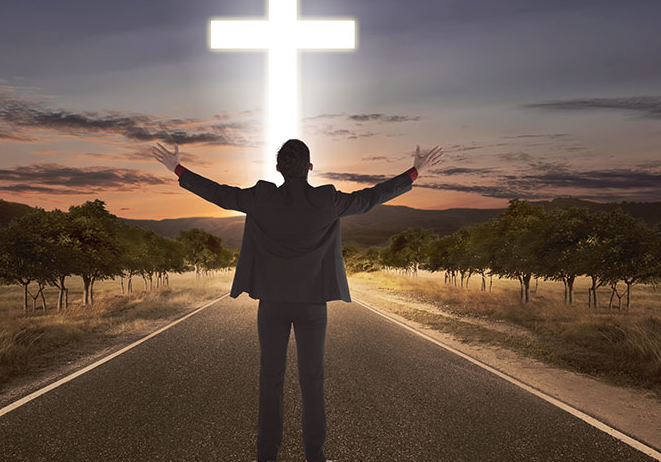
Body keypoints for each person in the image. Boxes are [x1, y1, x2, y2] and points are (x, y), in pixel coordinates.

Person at [151, 139, 443, 462]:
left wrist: (178, 169)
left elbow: (220, 194)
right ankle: (315, 456)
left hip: (272, 305)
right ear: (310, 168)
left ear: (278, 169)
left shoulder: (261, 197)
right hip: (312, 307)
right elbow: (371, 198)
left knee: (271, 380)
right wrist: (415, 172)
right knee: (312, 381)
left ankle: (266, 456)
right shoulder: (327, 200)